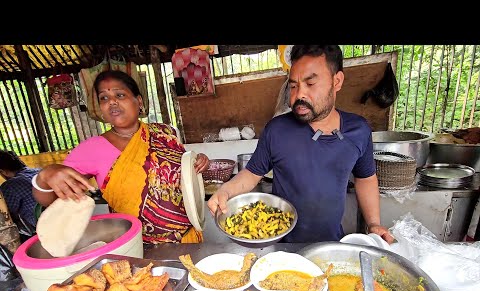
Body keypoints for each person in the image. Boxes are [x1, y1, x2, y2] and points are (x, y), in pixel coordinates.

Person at [208, 45, 394, 244]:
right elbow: (252, 174)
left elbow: (365, 178)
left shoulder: (359, 131)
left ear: (337, 81)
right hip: (280, 248)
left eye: (310, 83)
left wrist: (374, 223)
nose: (298, 95)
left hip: (329, 245)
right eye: (294, 85)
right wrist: (225, 191)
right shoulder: (277, 130)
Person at [33, 70, 210, 244]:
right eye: (104, 98)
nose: (112, 102)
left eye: (120, 95)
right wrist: (45, 177)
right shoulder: (91, 149)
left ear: (138, 101)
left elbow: (183, 173)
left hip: (188, 236)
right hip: (137, 247)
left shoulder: (165, 132)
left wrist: (198, 162)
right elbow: (51, 199)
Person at [0, 149, 40, 241]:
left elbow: (6, 214)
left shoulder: (10, 185)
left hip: (37, 229)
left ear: (3, 171)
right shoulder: (39, 171)